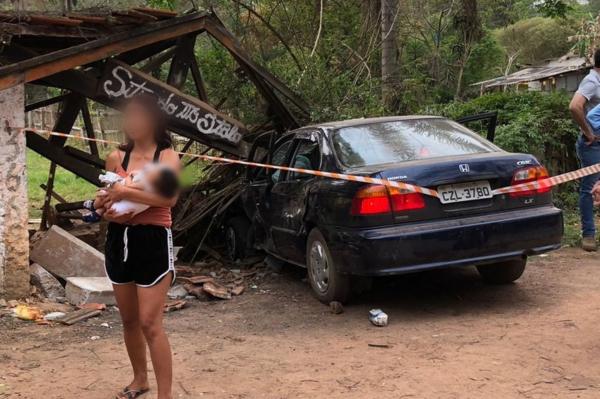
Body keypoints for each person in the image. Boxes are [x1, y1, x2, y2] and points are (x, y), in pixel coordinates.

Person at [98, 94, 180, 399]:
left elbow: (168, 199)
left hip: (153, 241)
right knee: (129, 319)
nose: (132, 122)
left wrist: (123, 192)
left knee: (150, 323)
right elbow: (106, 201)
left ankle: (165, 395)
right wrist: (104, 203)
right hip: (119, 239)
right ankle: (139, 379)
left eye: (139, 116)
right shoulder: (115, 158)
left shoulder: (167, 157)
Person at [569, 49, 600, 252]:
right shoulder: (592, 81)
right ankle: (588, 235)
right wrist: (588, 133)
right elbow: (574, 106)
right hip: (593, 145)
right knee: (590, 187)